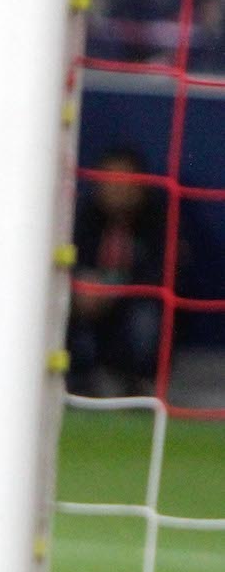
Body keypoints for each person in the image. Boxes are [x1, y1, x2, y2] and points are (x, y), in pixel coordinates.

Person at [68, 146, 168, 398]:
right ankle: (78, 380)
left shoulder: (158, 219)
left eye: (124, 182)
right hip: (89, 304)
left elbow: (164, 271)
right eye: (110, 182)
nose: (117, 190)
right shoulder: (84, 216)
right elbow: (71, 260)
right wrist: (82, 284)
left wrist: (116, 290)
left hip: (133, 302)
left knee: (145, 318)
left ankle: (137, 383)